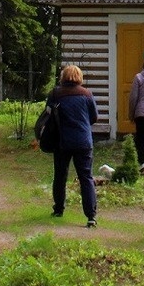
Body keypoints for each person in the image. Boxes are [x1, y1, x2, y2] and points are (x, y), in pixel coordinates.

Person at [49, 64, 99, 227]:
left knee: (60, 176)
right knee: (86, 177)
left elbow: (48, 115)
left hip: (62, 141)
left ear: (63, 77)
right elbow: (94, 117)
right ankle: (91, 216)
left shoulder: (56, 94)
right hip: (83, 141)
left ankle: (58, 209)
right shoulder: (86, 94)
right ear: (79, 77)